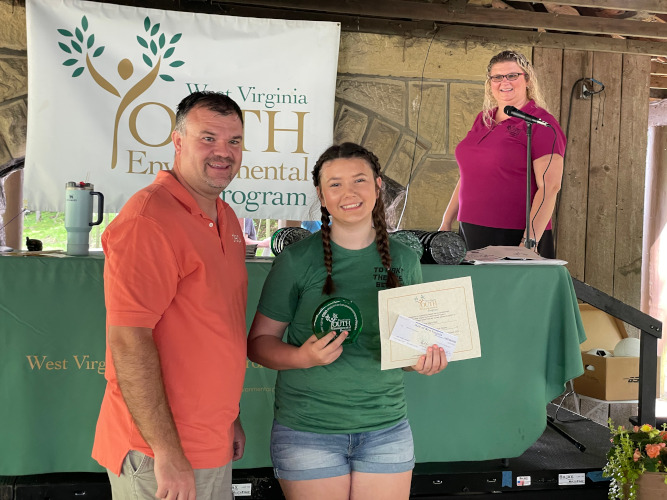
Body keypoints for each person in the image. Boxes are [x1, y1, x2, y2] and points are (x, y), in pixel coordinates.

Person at [247, 142, 448, 500]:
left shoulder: (404, 259)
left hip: (386, 429)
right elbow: (259, 344)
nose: (349, 193)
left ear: (378, 186)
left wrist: (422, 361)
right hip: (308, 430)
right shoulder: (296, 260)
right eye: (335, 184)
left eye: (359, 180)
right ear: (322, 196)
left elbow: (408, 350)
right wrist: (301, 357)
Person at [92, 91, 248, 500]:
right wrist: (166, 451)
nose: (223, 152)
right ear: (178, 142)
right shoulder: (149, 219)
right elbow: (129, 339)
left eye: (234, 141)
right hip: (157, 455)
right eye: (208, 138)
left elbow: (212, 327)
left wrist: (228, 417)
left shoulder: (226, 217)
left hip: (210, 441)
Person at [439, 50, 566, 258]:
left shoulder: (541, 124)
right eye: (497, 77)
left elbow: (550, 187)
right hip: (469, 229)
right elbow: (469, 176)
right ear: (490, 83)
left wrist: (528, 241)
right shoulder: (484, 118)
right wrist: (446, 222)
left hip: (513, 235)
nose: (504, 82)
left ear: (527, 80)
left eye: (512, 75)